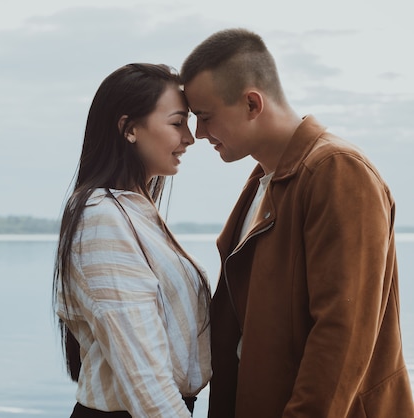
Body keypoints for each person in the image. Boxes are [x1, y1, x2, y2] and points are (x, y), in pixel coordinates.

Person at [180, 28, 414, 418]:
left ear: (252, 104)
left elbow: (342, 333)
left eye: (205, 117)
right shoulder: (262, 180)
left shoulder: (337, 171)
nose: (198, 133)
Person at [52, 63, 212, 417]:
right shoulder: (102, 218)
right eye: (177, 122)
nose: (190, 136)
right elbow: (145, 381)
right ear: (129, 129)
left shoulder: (134, 211)